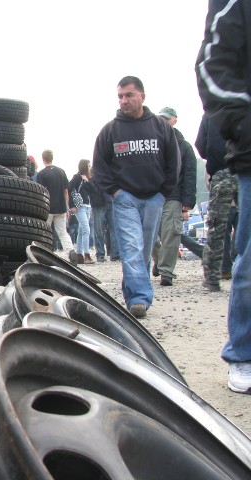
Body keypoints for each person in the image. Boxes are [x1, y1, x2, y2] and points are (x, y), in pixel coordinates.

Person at [196, 0, 251, 394]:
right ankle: (243, 352)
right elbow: (212, 67)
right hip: (238, 165)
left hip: (226, 172)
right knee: (231, 241)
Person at [92, 76, 180, 318]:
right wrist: (115, 192)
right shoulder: (110, 130)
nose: (124, 101)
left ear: (142, 96)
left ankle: (131, 291)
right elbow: (99, 166)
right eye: (120, 96)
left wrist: (164, 192)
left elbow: (174, 162)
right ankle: (140, 298)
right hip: (125, 199)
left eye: (129, 95)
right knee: (131, 246)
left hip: (154, 198)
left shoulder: (161, 128)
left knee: (144, 249)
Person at [151, 107, 197, 286]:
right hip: (153, 195)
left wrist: (188, 201)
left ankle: (166, 271)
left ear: (174, 120)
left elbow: (190, 174)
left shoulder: (184, 147)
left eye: (166, 118)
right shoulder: (152, 143)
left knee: (171, 234)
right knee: (150, 235)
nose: (163, 121)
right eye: (161, 118)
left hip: (174, 196)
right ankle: (160, 260)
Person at [195, 112, 239, 292]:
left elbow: (200, 144)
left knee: (217, 226)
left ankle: (213, 277)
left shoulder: (212, 111)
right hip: (246, 172)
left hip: (222, 170)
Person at [36, 149, 77, 263]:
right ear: (52, 158)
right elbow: (66, 192)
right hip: (61, 207)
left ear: (43, 159)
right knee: (62, 232)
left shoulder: (41, 174)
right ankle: (71, 252)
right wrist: (67, 207)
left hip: (48, 208)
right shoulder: (61, 172)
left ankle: (46, 255)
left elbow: (42, 192)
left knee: (46, 232)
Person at [68, 159, 95, 264]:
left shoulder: (88, 178)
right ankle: (87, 255)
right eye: (88, 166)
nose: (90, 168)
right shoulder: (76, 177)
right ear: (84, 167)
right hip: (80, 207)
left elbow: (94, 190)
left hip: (88, 206)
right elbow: (68, 189)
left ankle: (79, 255)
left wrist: (87, 181)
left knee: (81, 230)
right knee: (86, 229)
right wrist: (72, 205)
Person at [89, 175, 119, 262]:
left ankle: (101, 254)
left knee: (99, 229)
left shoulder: (93, 176)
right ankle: (115, 254)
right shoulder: (108, 173)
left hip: (101, 203)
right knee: (113, 229)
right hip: (108, 200)